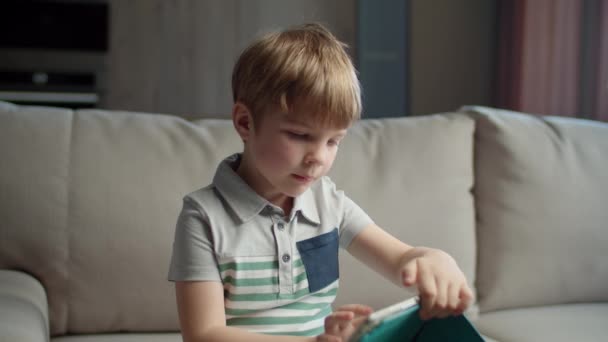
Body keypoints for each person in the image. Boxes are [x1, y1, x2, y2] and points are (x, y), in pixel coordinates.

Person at [168, 23, 473, 342]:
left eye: (333, 141)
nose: (319, 158)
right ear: (245, 122)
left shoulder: (330, 204)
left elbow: (400, 259)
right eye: (300, 135)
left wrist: (434, 259)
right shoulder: (202, 217)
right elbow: (203, 334)